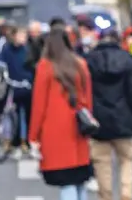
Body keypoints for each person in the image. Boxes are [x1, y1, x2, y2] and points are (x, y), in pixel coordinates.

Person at [29, 30, 93, 200]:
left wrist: (33, 137)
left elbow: (39, 107)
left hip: (55, 132)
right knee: (79, 181)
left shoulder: (45, 67)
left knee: (66, 183)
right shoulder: (80, 64)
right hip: (78, 129)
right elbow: (88, 101)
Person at [86, 28, 132, 200]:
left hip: (98, 122)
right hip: (125, 120)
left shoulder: (89, 61)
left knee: (102, 165)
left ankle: (106, 196)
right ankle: (126, 195)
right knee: (127, 163)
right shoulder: (127, 60)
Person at [0, 26, 33, 158]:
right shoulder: (7, 50)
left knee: (28, 115)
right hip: (13, 86)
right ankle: (15, 141)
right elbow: (3, 65)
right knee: (15, 116)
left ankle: (27, 141)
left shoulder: (27, 50)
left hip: (27, 86)